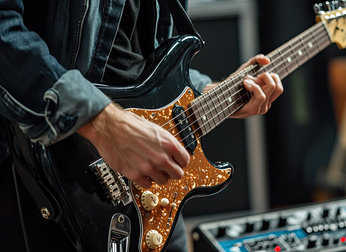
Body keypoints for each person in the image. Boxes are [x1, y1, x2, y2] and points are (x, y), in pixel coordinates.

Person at [0, 0, 283, 251]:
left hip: (150, 200)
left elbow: (153, 54)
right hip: (45, 183)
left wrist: (211, 93)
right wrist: (102, 122)